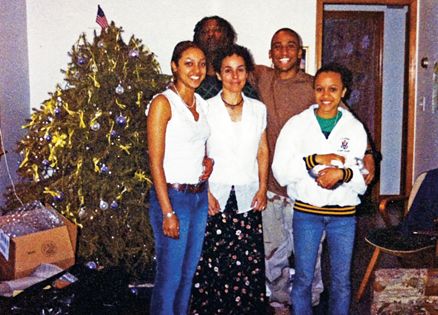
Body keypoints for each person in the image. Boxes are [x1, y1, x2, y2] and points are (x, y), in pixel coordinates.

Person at [249, 27, 376, 310]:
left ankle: (313, 303)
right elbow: (232, 67)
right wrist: (316, 161)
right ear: (270, 53)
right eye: (277, 47)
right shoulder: (262, 78)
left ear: (301, 52)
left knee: (322, 271)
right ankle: (281, 305)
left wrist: (358, 163)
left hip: (327, 205)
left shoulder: (314, 88)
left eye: (291, 46)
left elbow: (354, 149)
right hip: (275, 188)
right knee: (275, 256)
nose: (284, 52)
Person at [272, 63, 368, 315]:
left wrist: (342, 173)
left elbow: (362, 176)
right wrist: (313, 160)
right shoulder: (296, 125)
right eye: (320, 89)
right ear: (313, 91)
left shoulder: (354, 128)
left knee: (341, 281)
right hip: (307, 212)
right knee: (303, 279)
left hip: (343, 217)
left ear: (344, 92)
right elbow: (280, 171)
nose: (326, 96)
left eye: (333, 89)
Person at [190, 44, 269, 314]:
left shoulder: (258, 109)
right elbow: (197, 151)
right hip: (216, 193)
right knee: (215, 260)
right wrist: (205, 191)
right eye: (228, 70)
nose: (235, 76)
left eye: (240, 70)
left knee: (247, 263)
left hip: (248, 192)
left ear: (247, 74)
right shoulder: (206, 108)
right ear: (219, 75)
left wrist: (263, 186)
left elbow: (262, 150)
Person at [146, 40, 210, 315]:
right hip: (173, 198)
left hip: (199, 197)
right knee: (169, 278)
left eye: (202, 64)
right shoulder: (163, 103)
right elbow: (155, 162)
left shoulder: (202, 103)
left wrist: (208, 161)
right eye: (188, 63)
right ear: (174, 66)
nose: (196, 70)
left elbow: (200, 144)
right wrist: (167, 211)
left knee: (187, 276)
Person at [193, 16, 258, 99]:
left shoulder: (241, 79)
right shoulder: (193, 79)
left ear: (227, 36)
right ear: (198, 38)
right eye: (205, 31)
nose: (210, 34)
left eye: (217, 30)